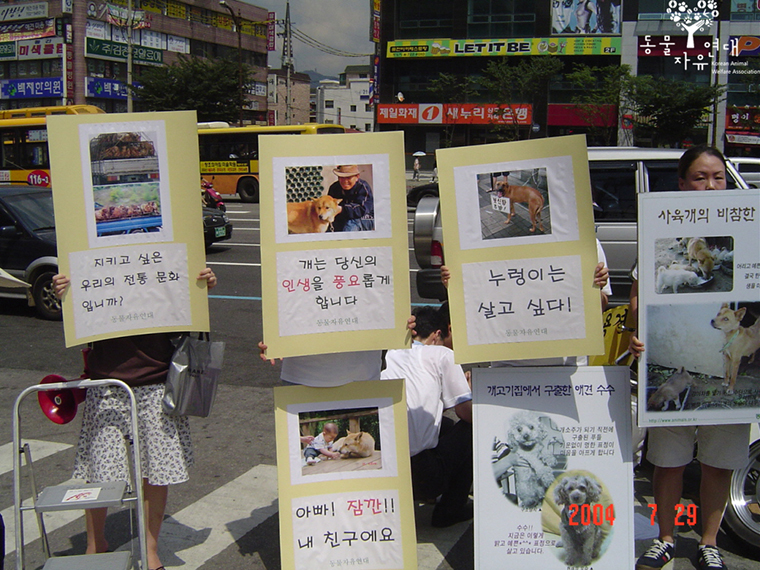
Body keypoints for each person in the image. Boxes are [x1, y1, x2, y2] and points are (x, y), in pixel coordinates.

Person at [630, 145, 749, 570]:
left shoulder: (750, 227)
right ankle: (665, 539)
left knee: (719, 463)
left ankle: (708, 542)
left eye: (718, 177)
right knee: (668, 460)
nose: (710, 186)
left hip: (730, 360)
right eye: (700, 177)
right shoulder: (661, 229)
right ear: (682, 184)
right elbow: (637, 299)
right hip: (672, 363)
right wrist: (638, 335)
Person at [53, 268, 217, 570]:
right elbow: (78, 314)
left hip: (158, 378)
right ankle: (95, 544)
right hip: (106, 378)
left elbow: (186, 300)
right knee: (100, 470)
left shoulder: (163, 253)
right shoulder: (90, 259)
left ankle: (150, 549)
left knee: (155, 469)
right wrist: (65, 291)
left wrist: (201, 283)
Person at [382, 304, 473, 527]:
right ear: (437, 334)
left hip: (388, 470)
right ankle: (449, 510)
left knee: (445, 425)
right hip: (424, 476)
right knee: (471, 430)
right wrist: (470, 391)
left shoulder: (391, 353)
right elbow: (467, 413)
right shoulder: (442, 354)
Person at [327, 165, 375, 232]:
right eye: (341, 177)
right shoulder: (334, 187)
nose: (345, 181)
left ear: (357, 177)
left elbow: (362, 209)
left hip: (364, 218)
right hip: (342, 218)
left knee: (350, 224)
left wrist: (341, 209)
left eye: (348, 178)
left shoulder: (363, 187)